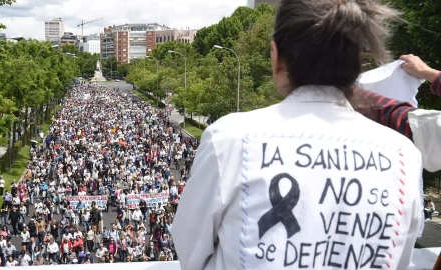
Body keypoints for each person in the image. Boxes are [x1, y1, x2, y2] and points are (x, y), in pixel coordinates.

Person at [172, 1, 423, 270]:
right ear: (357, 61)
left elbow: (191, 250)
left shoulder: (229, 139)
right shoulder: (403, 154)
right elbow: (399, 258)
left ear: (276, 56)